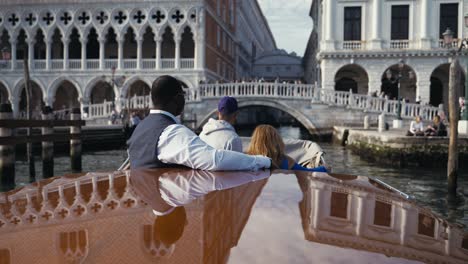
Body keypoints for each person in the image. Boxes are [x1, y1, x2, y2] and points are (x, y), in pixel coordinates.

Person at [127, 75, 271, 171]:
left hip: (148, 201)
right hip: (169, 209)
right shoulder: (172, 132)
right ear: (177, 99)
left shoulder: (140, 127)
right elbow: (216, 160)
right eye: (183, 96)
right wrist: (262, 161)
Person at [246, 125, 327, 172]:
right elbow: (306, 172)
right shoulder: (284, 161)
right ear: (277, 141)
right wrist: (324, 168)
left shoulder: (247, 159)